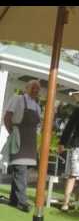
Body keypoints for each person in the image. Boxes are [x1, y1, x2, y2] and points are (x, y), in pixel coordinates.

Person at [2, 79, 42, 213]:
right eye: (33, 87)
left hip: (30, 142)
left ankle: (14, 200)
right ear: (26, 88)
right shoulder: (17, 99)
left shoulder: (37, 106)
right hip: (19, 138)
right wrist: (13, 133)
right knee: (21, 170)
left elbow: (37, 126)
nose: (35, 90)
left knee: (21, 170)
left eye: (38, 88)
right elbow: (7, 117)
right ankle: (23, 202)